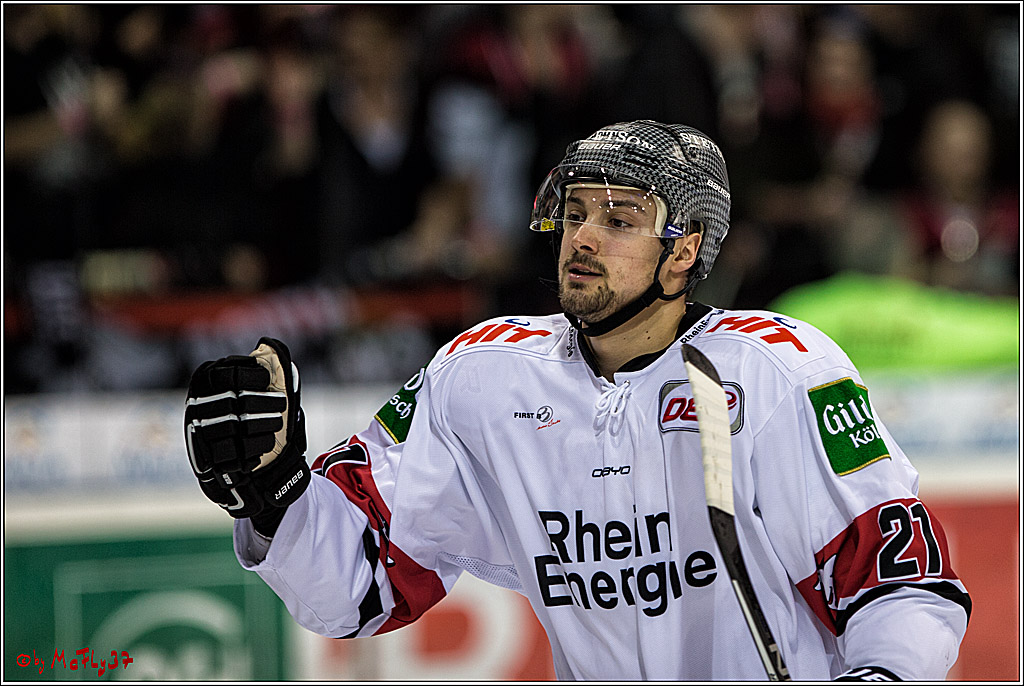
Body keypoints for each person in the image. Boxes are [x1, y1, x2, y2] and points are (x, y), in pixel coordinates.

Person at [184, 120, 970, 680]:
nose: (584, 236)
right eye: (577, 210)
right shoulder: (481, 378)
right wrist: (275, 494)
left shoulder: (775, 371)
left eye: (620, 218)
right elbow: (362, 583)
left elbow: (900, 581)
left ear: (685, 251)